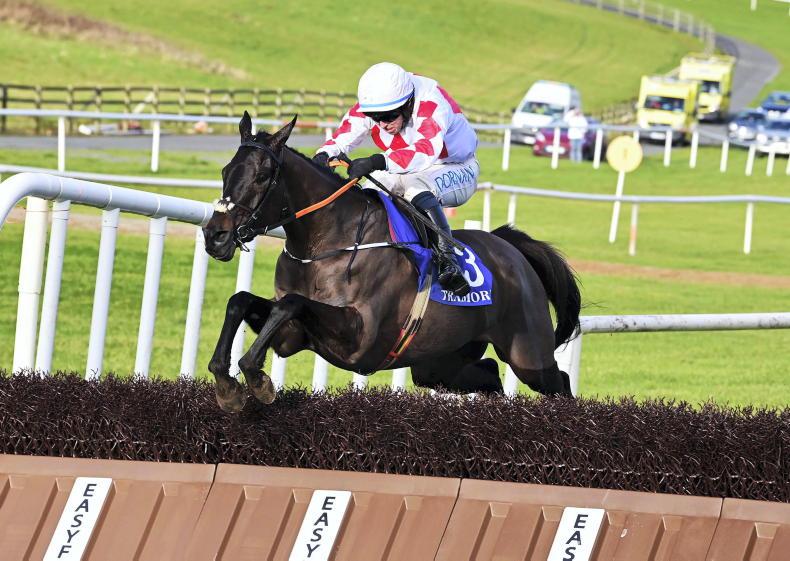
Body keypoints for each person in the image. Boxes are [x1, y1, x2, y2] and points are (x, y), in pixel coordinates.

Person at [312, 62, 479, 297]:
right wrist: (323, 154)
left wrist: (376, 161)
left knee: (415, 186)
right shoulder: (378, 101)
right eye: (375, 117)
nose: (382, 124)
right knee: (369, 190)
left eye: (389, 116)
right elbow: (345, 134)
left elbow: (425, 151)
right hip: (407, 167)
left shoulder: (430, 102)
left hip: (456, 167)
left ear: (408, 102)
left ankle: (448, 261)